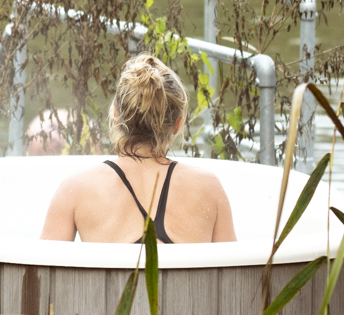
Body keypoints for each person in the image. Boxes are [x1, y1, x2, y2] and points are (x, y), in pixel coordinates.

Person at [39, 53, 236, 244]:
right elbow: (232, 272)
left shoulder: (75, 189)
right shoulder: (209, 188)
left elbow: (43, 269)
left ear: (115, 115)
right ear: (177, 125)